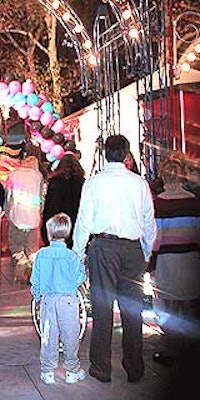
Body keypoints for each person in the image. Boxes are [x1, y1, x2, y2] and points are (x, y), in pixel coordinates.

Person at [72, 134, 157, 383]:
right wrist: (146, 252)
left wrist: (78, 253)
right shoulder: (139, 183)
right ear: (127, 154)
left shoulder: (94, 183)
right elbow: (148, 222)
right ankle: (134, 366)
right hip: (132, 249)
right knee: (133, 310)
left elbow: (84, 221)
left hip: (103, 247)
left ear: (105, 153)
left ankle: (101, 366)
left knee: (102, 307)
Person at [151, 157, 200, 367]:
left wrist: (150, 263)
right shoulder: (193, 201)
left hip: (168, 259)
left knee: (169, 306)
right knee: (190, 305)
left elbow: (156, 238)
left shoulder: (159, 203)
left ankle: (172, 349)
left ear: (163, 177)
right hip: (191, 258)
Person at [30, 213, 87, 385]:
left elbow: (35, 280)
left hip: (48, 300)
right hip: (68, 300)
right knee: (71, 335)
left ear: (49, 233)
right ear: (68, 233)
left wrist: (37, 295)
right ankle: (72, 370)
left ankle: (47, 371)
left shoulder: (41, 255)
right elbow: (80, 277)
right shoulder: (72, 256)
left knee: (49, 335)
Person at [4, 155, 44, 284]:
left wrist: (7, 213)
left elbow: (8, 197)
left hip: (16, 216)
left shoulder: (13, 175)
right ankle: (33, 276)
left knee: (16, 247)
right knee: (32, 249)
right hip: (32, 217)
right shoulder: (38, 176)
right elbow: (41, 197)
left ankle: (20, 272)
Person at [41, 153, 85, 247]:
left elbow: (50, 207)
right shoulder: (82, 182)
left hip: (59, 225)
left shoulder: (54, 182)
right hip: (77, 224)